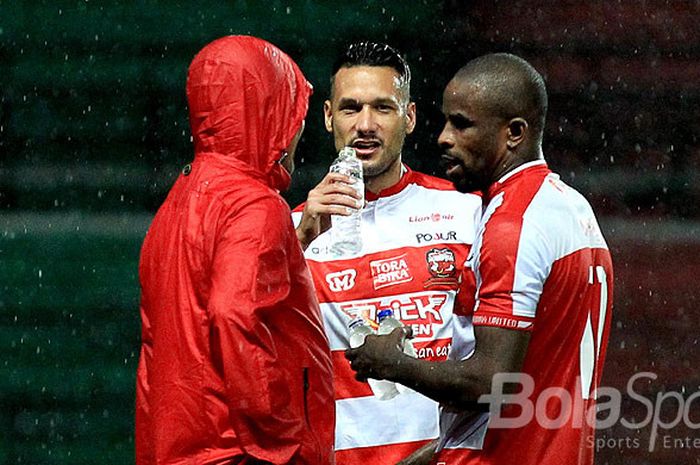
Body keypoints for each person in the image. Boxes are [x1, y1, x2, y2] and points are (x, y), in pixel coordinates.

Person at [346, 53, 614, 465]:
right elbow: (527, 384)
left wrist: (391, 362)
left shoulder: (513, 225)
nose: (443, 137)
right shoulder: (572, 208)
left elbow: (492, 382)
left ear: (514, 133)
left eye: (462, 123)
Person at [136, 35, 334, 465]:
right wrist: (282, 441)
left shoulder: (176, 203)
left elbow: (169, 342)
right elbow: (234, 314)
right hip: (238, 454)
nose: (298, 133)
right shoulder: (256, 204)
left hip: (179, 448)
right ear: (268, 112)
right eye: (293, 115)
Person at [291, 42, 483, 465]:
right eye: (350, 108)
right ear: (327, 117)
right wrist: (299, 242)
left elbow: (500, 359)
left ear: (409, 117)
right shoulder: (291, 232)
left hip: (445, 459)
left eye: (383, 108)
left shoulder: (468, 212)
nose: (365, 124)